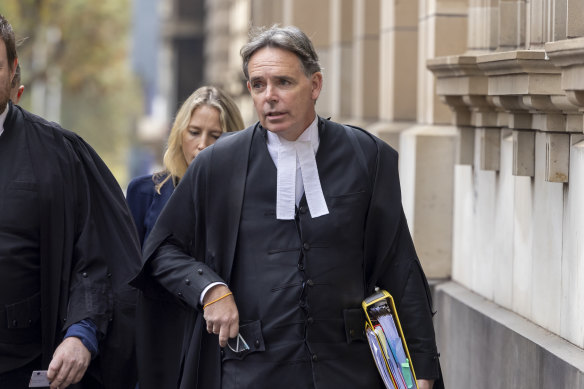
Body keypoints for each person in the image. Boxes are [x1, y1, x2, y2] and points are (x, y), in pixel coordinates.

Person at [132, 25, 444, 389]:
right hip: (250, 370)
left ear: (315, 85)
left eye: (283, 82)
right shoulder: (218, 164)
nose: (269, 97)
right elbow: (161, 250)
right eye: (258, 85)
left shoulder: (367, 157)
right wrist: (210, 289)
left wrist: (421, 372)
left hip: (349, 371)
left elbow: (400, 268)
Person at [0, 14, 141, 389]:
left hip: (25, 368)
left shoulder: (60, 155)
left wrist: (82, 334)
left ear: (13, 70)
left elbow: (94, 260)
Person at [126, 85, 244, 388]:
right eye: (194, 132)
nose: (202, 145)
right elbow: (128, 279)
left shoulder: (245, 202)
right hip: (156, 347)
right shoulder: (144, 192)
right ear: (180, 134)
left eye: (215, 135)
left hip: (217, 349)